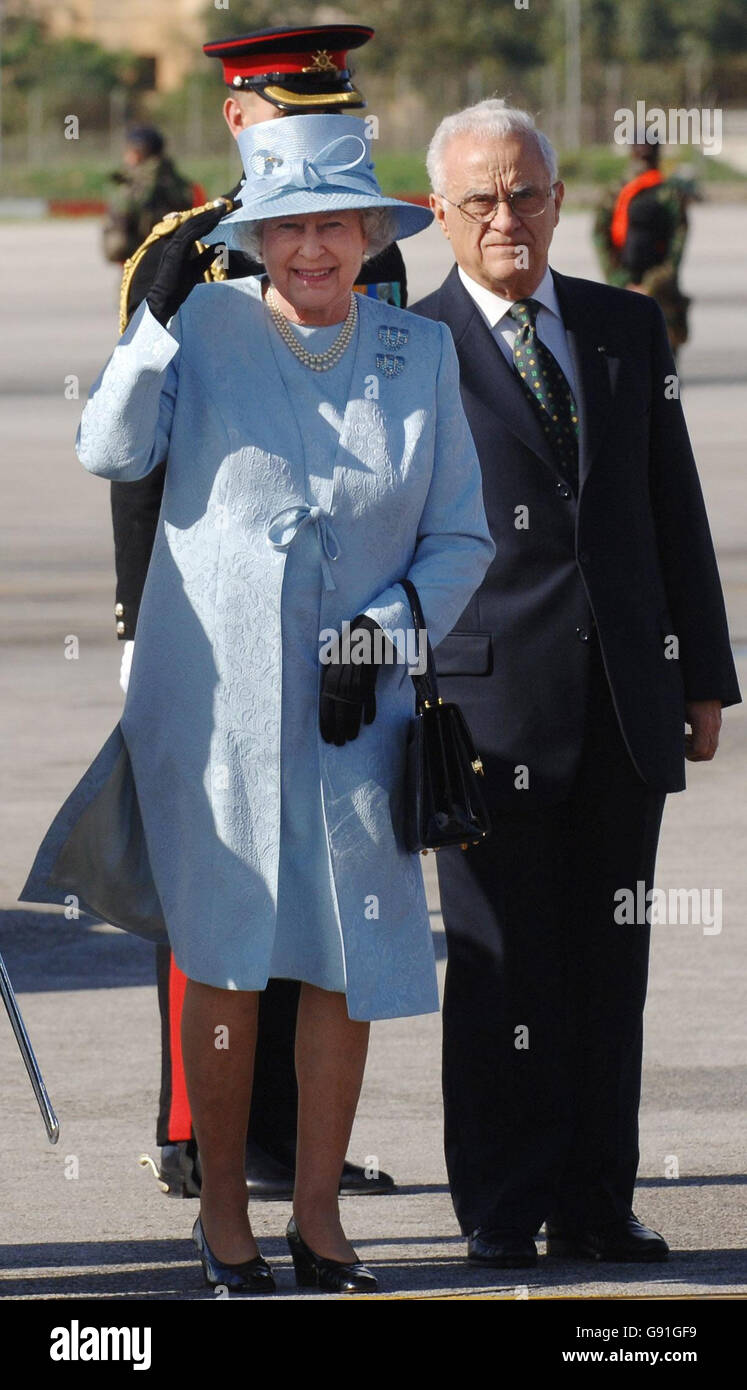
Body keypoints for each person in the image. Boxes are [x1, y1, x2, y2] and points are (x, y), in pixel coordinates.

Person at [20, 112, 495, 1293]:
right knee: (228, 961)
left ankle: (321, 1220)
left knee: (348, 965)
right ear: (256, 238)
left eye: (334, 225)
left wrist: (379, 633)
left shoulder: (417, 354)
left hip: (356, 713)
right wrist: (149, 325)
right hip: (217, 706)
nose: (312, 251)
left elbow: (462, 538)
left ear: (372, 234)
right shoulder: (208, 328)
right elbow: (111, 450)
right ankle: (225, 1218)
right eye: (288, 229)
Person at [413, 100, 740, 1269]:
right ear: (440, 212)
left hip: (624, 706)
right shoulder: (407, 343)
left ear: (560, 199)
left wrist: (704, 672)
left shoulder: (622, 326)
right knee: (502, 967)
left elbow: (673, 506)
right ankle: (503, 1205)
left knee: (612, 967)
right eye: (483, 199)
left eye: (530, 193)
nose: (510, 217)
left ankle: (599, 1197)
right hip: (482, 708)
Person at [111, 24, 408, 1202]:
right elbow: (137, 458)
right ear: (241, 125)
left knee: (321, 886)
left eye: (334, 122)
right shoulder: (183, 254)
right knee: (217, 883)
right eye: (294, 125)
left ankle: (292, 1145)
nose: (317, 150)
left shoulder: (368, 259)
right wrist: (139, 627)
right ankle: (199, 1134)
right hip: (206, 626)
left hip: (333, 630)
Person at [593, 137, 690, 358]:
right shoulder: (617, 192)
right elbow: (600, 235)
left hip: (661, 294)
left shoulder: (669, 193)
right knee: (623, 361)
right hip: (622, 288)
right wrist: (620, 280)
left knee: (664, 365)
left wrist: (651, 285)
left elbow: (677, 246)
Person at [102, 126, 197, 265]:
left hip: (145, 258)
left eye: (131, 151)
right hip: (169, 258)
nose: (126, 156)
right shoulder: (179, 183)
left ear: (142, 152)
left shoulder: (141, 184)